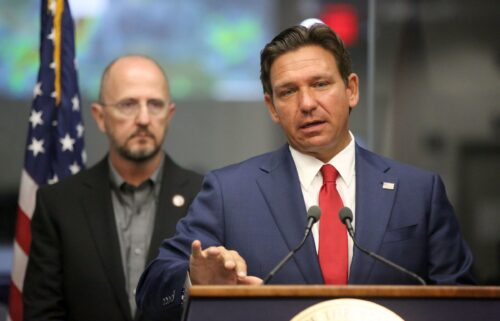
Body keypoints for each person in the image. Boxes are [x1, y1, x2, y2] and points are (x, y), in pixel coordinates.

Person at [136, 23, 475, 320]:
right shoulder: (230, 192)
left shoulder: (418, 191)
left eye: (320, 84)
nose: (307, 104)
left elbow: (465, 305)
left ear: (351, 89)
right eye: (288, 91)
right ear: (272, 107)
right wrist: (193, 281)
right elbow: (152, 294)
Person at [23, 55, 203, 321]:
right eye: (128, 104)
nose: (143, 118)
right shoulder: (58, 204)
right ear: (100, 116)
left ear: (169, 114)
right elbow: (42, 314)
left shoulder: (206, 197)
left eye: (155, 104)